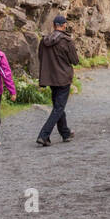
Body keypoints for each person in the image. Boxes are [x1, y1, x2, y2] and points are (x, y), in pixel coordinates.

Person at [36, 14, 78, 147]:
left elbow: (40, 57)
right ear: (64, 25)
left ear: (54, 25)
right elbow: (75, 61)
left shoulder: (44, 41)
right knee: (59, 108)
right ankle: (43, 135)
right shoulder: (67, 41)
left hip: (50, 78)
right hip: (63, 78)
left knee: (58, 107)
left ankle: (65, 133)